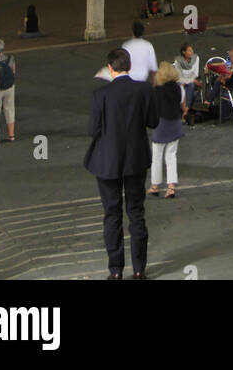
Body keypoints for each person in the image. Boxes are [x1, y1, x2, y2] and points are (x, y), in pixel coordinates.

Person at [84, 47, 159, 279]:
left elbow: (93, 130)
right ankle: (139, 269)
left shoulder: (100, 95)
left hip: (107, 163)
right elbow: (153, 122)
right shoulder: (144, 90)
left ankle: (115, 271)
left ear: (110, 68)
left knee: (112, 214)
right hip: (136, 161)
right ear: (129, 66)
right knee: (136, 213)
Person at [148, 62, 185, 199]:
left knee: (157, 157)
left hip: (161, 124)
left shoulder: (156, 91)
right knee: (171, 155)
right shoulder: (179, 88)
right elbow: (182, 103)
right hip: (175, 123)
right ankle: (171, 187)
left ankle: (155, 186)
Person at [173, 42, 202, 112]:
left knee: (191, 85)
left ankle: (187, 109)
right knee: (181, 86)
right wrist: (186, 81)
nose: (192, 52)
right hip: (181, 81)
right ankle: (183, 110)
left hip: (191, 80)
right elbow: (179, 76)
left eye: (192, 50)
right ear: (184, 52)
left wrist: (189, 80)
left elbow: (195, 74)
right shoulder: (178, 61)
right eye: (189, 50)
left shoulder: (196, 58)